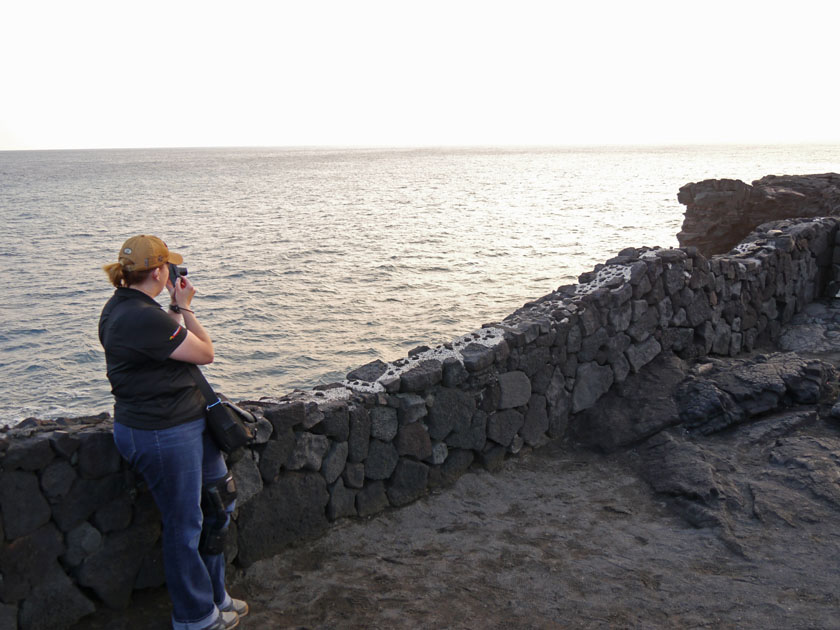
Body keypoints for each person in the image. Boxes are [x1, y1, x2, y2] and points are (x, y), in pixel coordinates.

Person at [99, 234, 248, 630]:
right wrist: (184, 307)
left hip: (186, 423)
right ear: (161, 271)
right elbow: (205, 352)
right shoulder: (139, 317)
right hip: (161, 432)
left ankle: (215, 596)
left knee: (219, 503)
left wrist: (176, 308)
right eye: (170, 268)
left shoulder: (132, 309)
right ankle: (195, 616)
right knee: (185, 525)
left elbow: (178, 351)